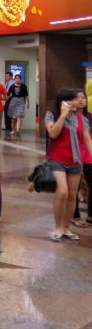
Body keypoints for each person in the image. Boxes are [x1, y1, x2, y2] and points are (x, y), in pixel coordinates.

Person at [44, 88, 92, 241]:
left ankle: (66, 228)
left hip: (75, 160)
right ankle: (57, 227)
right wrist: (63, 115)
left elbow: (87, 139)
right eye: (72, 99)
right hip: (57, 158)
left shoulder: (81, 119)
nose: (75, 102)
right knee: (63, 191)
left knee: (72, 195)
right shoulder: (52, 114)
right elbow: (53, 133)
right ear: (63, 101)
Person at [72, 91, 92, 229]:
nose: (81, 100)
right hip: (73, 157)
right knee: (74, 188)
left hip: (89, 156)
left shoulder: (90, 117)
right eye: (77, 98)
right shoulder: (68, 117)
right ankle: (75, 216)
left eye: (83, 97)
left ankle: (90, 215)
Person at [6, 74, 29, 138]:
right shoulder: (12, 86)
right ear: (14, 79)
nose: (17, 79)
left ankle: (18, 130)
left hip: (21, 101)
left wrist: (27, 103)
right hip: (13, 101)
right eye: (16, 78)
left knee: (19, 116)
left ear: (20, 79)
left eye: (18, 78)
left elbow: (26, 95)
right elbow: (7, 95)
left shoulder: (24, 86)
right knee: (13, 118)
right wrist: (4, 101)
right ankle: (14, 130)